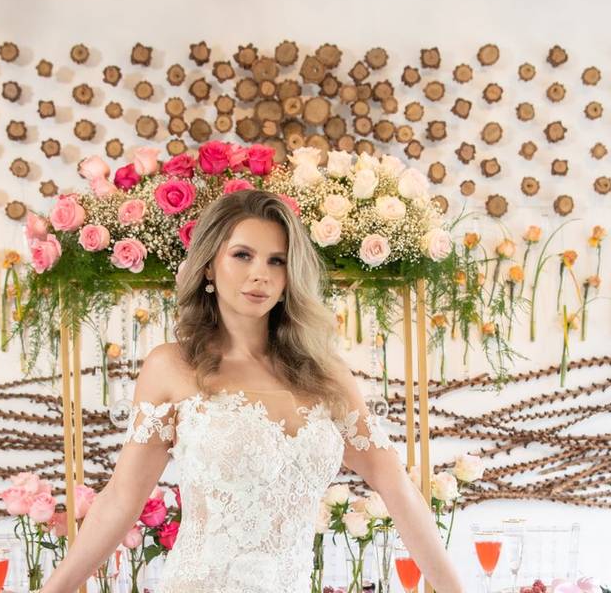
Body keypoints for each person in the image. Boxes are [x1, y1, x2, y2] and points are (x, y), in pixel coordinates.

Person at [41, 189, 464, 593]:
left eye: (276, 261)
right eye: (242, 255)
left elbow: (398, 490)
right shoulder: (172, 367)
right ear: (209, 265)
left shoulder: (327, 375)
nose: (260, 273)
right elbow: (120, 501)